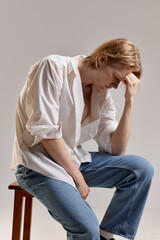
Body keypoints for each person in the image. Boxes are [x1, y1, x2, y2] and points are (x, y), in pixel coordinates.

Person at [11, 38, 154, 240]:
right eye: (116, 77)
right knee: (87, 228)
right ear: (103, 58)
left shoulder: (101, 93)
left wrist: (129, 102)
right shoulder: (52, 67)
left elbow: (116, 148)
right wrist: (78, 178)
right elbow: (47, 134)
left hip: (74, 161)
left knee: (141, 169)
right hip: (39, 166)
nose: (115, 86)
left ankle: (105, 236)